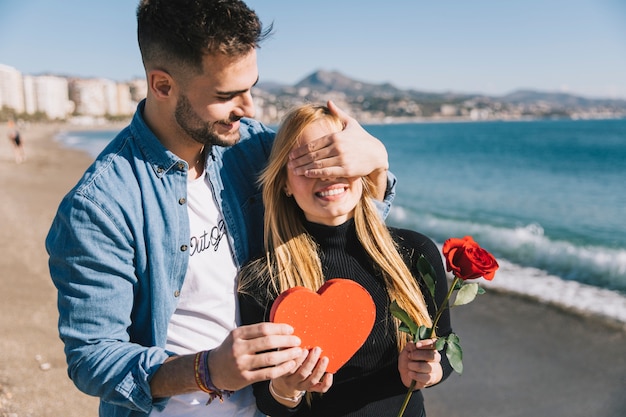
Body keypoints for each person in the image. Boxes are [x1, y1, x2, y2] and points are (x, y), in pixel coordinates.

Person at [45, 1, 395, 417]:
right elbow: (92, 358)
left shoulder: (253, 149)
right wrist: (207, 370)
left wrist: (376, 157)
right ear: (162, 85)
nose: (248, 108)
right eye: (227, 95)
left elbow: (345, 224)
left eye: (251, 87)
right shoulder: (100, 206)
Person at [238, 104, 453, 417]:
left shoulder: (414, 253)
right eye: (308, 163)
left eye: (336, 158)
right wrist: (286, 389)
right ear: (283, 181)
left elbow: (445, 348)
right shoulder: (263, 277)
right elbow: (267, 401)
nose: (327, 174)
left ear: (362, 166)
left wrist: (429, 370)